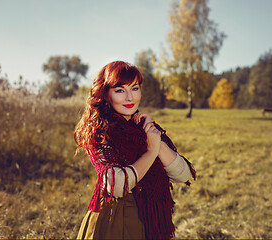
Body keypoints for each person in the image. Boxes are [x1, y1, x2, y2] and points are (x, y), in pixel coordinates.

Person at [74, 61, 196, 239]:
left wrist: (154, 137)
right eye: (120, 90)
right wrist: (151, 152)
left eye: (135, 88)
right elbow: (116, 185)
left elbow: (183, 175)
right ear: (106, 94)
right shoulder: (99, 130)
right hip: (116, 221)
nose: (130, 97)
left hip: (150, 220)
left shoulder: (143, 128)